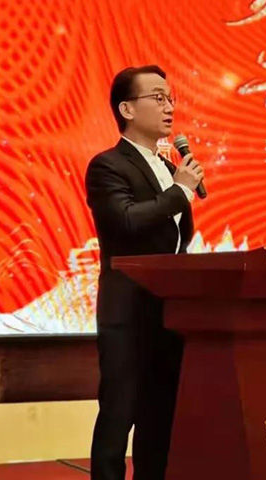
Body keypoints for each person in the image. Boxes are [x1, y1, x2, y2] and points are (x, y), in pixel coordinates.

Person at [85, 65, 204, 480]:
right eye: (157, 98)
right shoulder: (107, 165)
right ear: (127, 109)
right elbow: (127, 221)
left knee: (160, 417)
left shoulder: (170, 168)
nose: (169, 106)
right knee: (119, 416)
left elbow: (175, 240)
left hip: (169, 314)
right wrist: (181, 191)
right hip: (128, 314)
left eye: (170, 98)